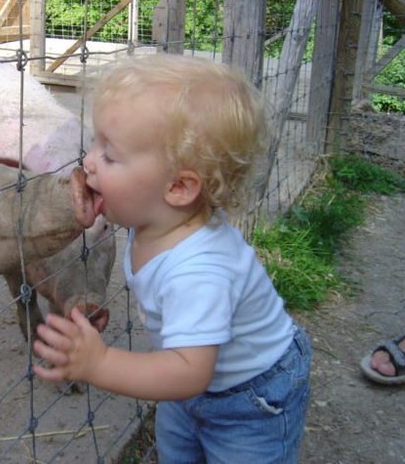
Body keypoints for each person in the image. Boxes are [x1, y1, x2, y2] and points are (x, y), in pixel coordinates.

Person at [33, 53, 312, 462]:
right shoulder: (159, 217)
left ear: (178, 188)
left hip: (251, 398)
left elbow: (188, 371)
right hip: (189, 389)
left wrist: (101, 362)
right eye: (95, 144)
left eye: (109, 155)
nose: (88, 161)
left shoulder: (199, 271)